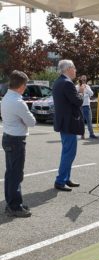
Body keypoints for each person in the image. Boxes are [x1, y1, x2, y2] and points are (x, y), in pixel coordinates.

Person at [1, 70, 36, 218]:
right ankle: (15, 206)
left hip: (8, 137)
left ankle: (12, 203)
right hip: (16, 140)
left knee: (10, 173)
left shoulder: (6, 98)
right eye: (25, 84)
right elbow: (32, 122)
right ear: (21, 85)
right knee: (16, 174)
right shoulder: (18, 102)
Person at [53, 59, 84, 192]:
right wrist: (81, 92)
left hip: (65, 122)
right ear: (68, 69)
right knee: (69, 153)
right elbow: (77, 101)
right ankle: (60, 181)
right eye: (74, 68)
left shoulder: (59, 81)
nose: (76, 70)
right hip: (69, 123)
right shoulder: (67, 83)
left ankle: (66, 178)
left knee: (68, 152)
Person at [76, 75, 97, 139]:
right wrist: (85, 95)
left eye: (85, 79)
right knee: (81, 121)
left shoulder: (87, 86)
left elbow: (91, 94)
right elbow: (77, 95)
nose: (84, 80)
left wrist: (86, 88)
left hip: (87, 106)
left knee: (89, 121)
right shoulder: (77, 86)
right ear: (80, 80)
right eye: (83, 79)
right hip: (80, 106)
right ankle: (82, 135)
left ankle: (91, 134)